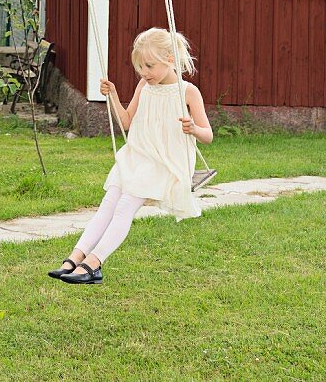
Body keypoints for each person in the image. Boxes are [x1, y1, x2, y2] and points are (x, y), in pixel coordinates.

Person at [49, 27, 213, 285]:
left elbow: (208, 135)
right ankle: (75, 256)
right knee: (109, 203)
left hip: (165, 161)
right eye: (140, 67)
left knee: (125, 207)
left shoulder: (187, 92)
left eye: (149, 66)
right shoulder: (144, 86)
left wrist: (193, 128)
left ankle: (94, 264)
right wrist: (112, 94)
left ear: (170, 60)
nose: (144, 73)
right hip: (138, 154)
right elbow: (125, 122)